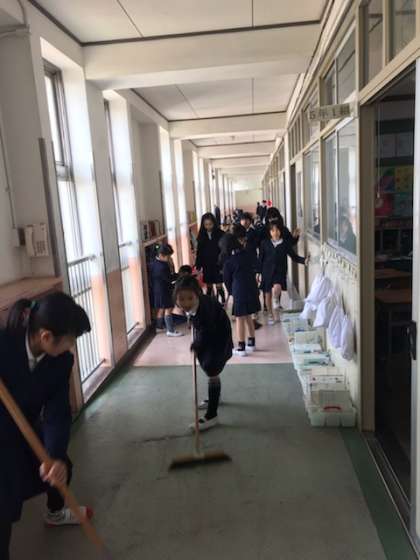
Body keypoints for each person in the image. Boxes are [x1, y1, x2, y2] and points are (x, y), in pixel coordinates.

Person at [0, 293, 92, 560]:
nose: (71, 347)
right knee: (3, 508)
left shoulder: (60, 362)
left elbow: (57, 412)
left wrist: (54, 456)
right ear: (46, 336)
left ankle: (55, 513)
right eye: (69, 340)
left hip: (24, 428)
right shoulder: (5, 344)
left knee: (61, 469)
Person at [174, 275, 233, 431]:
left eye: (190, 298)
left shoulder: (204, 310)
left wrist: (196, 345)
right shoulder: (198, 304)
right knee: (210, 367)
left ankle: (212, 415)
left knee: (212, 368)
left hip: (219, 337)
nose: (186, 303)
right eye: (181, 299)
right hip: (211, 334)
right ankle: (215, 397)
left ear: (197, 295)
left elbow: (207, 331)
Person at [259, 220, 309, 325]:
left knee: (277, 288)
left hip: (279, 271)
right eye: (273, 230)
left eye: (277, 230)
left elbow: (294, 257)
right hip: (267, 271)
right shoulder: (264, 243)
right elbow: (261, 259)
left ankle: (276, 300)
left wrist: (304, 260)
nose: (275, 232)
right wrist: (258, 273)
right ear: (270, 232)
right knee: (267, 294)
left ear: (280, 231)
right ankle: (270, 315)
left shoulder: (284, 243)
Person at [222, 226, 261, 356]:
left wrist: (231, 291)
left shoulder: (229, 261)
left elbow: (226, 279)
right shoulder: (248, 255)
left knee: (239, 319)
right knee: (248, 316)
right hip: (252, 290)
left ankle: (241, 347)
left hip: (239, 291)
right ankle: (252, 343)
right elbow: (257, 266)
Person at [150, 243, 183, 337]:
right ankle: (170, 330)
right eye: (168, 257)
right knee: (168, 309)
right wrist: (179, 276)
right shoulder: (163, 267)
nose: (169, 259)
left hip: (157, 290)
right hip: (164, 290)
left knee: (161, 309)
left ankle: (159, 326)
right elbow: (169, 279)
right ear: (161, 255)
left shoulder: (153, 263)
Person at [195, 213, 225, 304]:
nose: (208, 227)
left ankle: (223, 302)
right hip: (207, 264)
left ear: (214, 223)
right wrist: (198, 265)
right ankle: (209, 303)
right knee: (209, 286)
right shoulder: (201, 236)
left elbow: (224, 250)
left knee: (219, 285)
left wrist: (224, 263)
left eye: (210, 224)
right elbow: (199, 252)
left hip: (218, 264)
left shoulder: (221, 234)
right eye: (206, 225)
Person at [239, 212, 262, 330]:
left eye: (247, 219)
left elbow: (256, 246)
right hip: (241, 264)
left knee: (254, 288)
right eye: (243, 220)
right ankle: (248, 311)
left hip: (252, 263)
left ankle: (255, 311)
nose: (245, 222)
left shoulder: (253, 232)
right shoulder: (238, 233)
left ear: (250, 221)